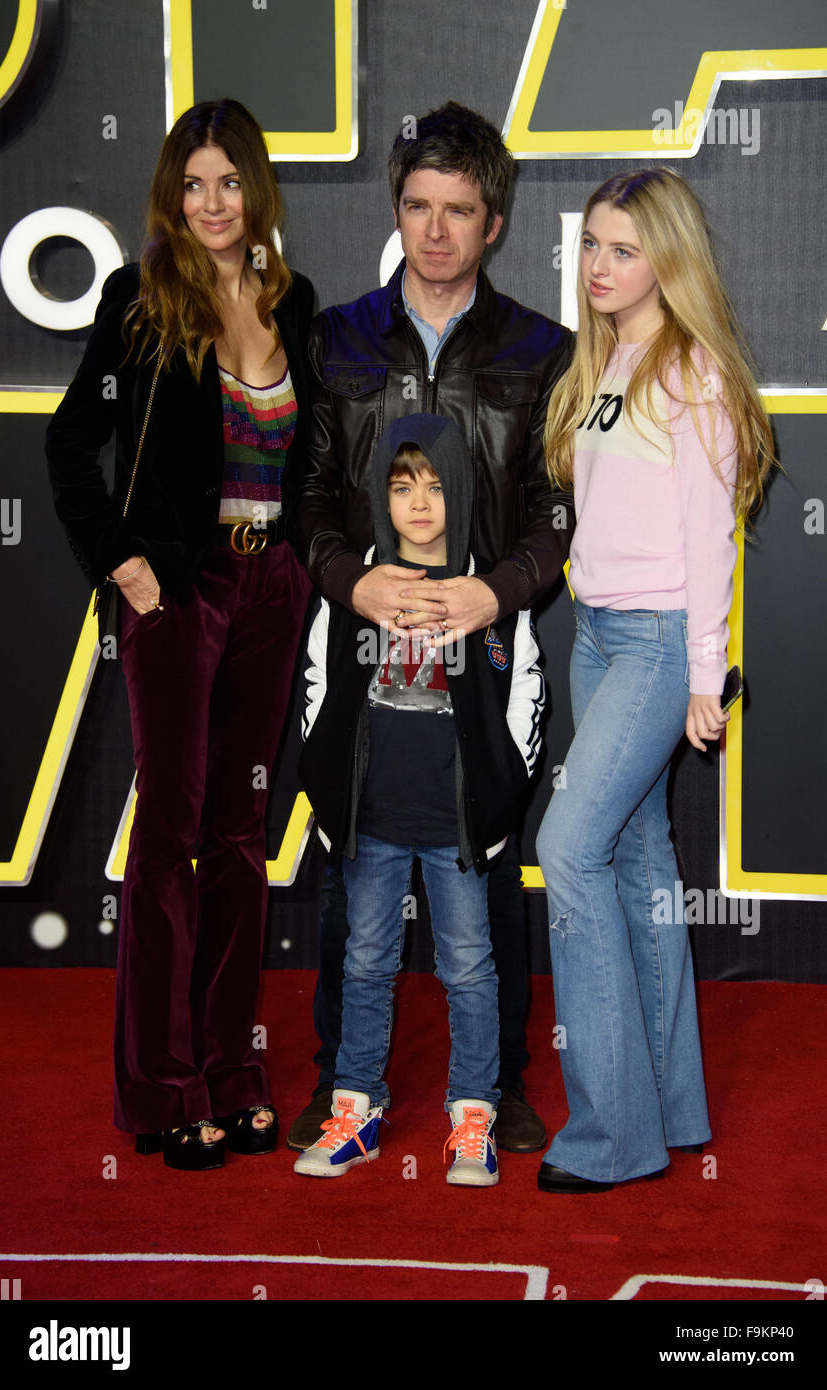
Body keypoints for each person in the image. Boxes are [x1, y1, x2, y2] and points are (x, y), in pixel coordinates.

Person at [290, 101, 574, 1154]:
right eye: (418, 205)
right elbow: (307, 496)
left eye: (460, 210)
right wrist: (350, 581)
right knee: (347, 849)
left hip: (491, 645)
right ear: (397, 207)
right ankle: (341, 1082)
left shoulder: (545, 350)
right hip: (359, 638)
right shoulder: (338, 337)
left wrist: (496, 591)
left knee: (485, 858)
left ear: (494, 219)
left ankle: (488, 1089)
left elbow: (557, 506)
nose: (437, 231)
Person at [46, 99, 314, 1170]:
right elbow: (73, 446)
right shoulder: (141, 298)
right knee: (169, 839)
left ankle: (233, 1069)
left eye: (229, 182)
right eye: (192, 184)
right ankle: (163, 1089)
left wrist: (299, 560)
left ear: (255, 190)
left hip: (270, 589)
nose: (211, 204)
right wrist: (124, 563)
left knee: (242, 837)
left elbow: (304, 457)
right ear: (172, 192)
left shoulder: (289, 305)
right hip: (178, 592)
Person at [535, 169, 775, 1193]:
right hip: (592, 631)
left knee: (566, 848)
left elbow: (705, 534)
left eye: (623, 249)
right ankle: (671, 1109)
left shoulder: (689, 372)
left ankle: (613, 1134)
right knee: (634, 859)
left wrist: (703, 674)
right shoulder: (606, 356)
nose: (599, 265)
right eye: (590, 244)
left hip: (656, 640)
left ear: (667, 258)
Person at [295, 414, 545, 1183]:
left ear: (463, 491)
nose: (419, 503)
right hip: (370, 822)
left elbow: (523, 696)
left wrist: (499, 800)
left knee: (470, 968)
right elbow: (316, 688)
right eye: (402, 486)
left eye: (437, 486)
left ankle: (474, 1117)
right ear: (379, 494)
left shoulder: (490, 593)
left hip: (460, 827)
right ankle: (355, 1109)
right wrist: (329, 793)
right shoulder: (353, 589)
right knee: (364, 964)